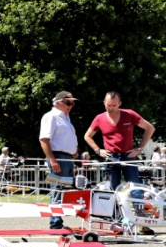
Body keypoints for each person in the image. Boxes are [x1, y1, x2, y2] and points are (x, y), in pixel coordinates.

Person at [84, 91, 155, 190]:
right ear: (104, 102)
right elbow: (87, 136)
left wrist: (139, 148)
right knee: (111, 189)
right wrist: (98, 150)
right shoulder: (99, 118)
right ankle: (113, 206)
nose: (111, 108)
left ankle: (137, 205)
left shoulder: (129, 114)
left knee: (135, 187)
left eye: (114, 105)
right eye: (108, 105)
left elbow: (150, 128)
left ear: (120, 104)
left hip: (128, 155)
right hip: (110, 156)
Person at [39, 91, 79, 230]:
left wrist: (72, 151)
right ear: (58, 102)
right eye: (68, 103)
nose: (71, 106)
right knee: (57, 190)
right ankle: (55, 224)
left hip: (66, 158)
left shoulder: (65, 118)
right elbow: (44, 139)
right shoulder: (51, 117)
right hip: (58, 157)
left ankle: (57, 221)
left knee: (63, 191)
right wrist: (52, 159)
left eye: (72, 103)